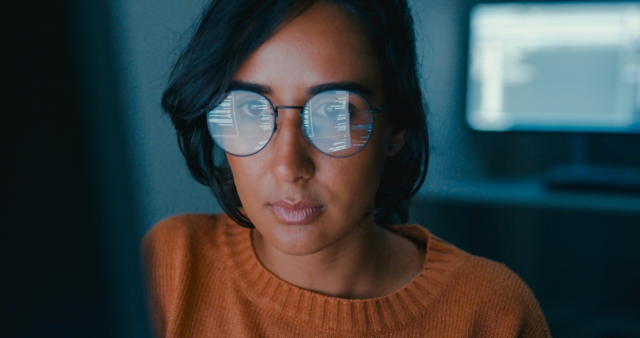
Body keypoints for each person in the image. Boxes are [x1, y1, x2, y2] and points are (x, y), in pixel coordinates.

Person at [143, 0, 551, 337]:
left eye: (335, 113)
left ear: (397, 128)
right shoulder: (169, 268)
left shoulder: (492, 313)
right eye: (247, 109)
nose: (289, 167)